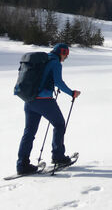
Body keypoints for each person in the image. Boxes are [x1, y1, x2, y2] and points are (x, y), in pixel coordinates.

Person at [16, 43, 81, 174]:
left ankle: (22, 165)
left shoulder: (42, 60)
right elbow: (58, 81)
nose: (65, 58)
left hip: (29, 100)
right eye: (66, 55)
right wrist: (72, 92)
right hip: (44, 101)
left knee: (29, 132)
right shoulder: (55, 62)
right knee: (59, 124)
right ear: (62, 53)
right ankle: (58, 157)